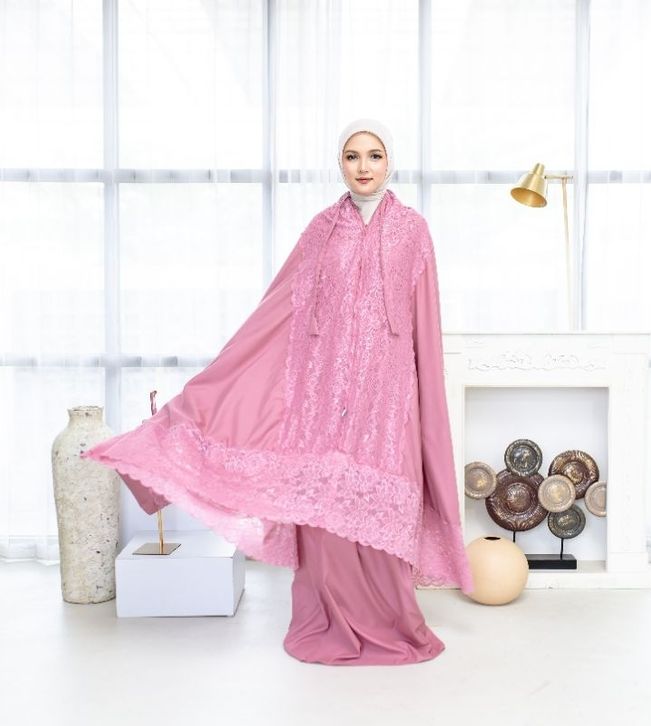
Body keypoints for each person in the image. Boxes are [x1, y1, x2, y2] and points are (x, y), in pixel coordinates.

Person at [81, 117, 474, 666]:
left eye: (374, 155)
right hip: (324, 399)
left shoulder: (413, 231)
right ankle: (329, 618)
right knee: (322, 509)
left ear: (390, 162)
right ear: (340, 164)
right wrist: (214, 387)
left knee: (385, 506)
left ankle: (392, 621)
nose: (363, 167)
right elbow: (277, 314)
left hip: (389, 401)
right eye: (353, 156)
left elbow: (425, 325)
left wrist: (424, 399)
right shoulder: (321, 231)